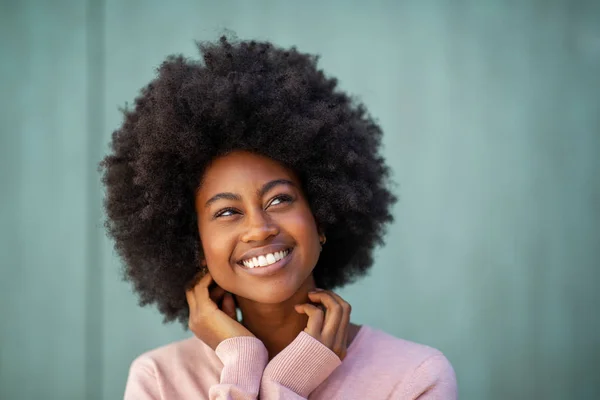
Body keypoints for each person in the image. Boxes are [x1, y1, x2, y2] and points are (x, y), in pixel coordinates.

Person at [100, 36, 457, 399]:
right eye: (227, 212)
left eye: (279, 200)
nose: (259, 229)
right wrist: (247, 365)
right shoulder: (159, 380)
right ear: (195, 245)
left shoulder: (414, 377)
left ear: (320, 216)